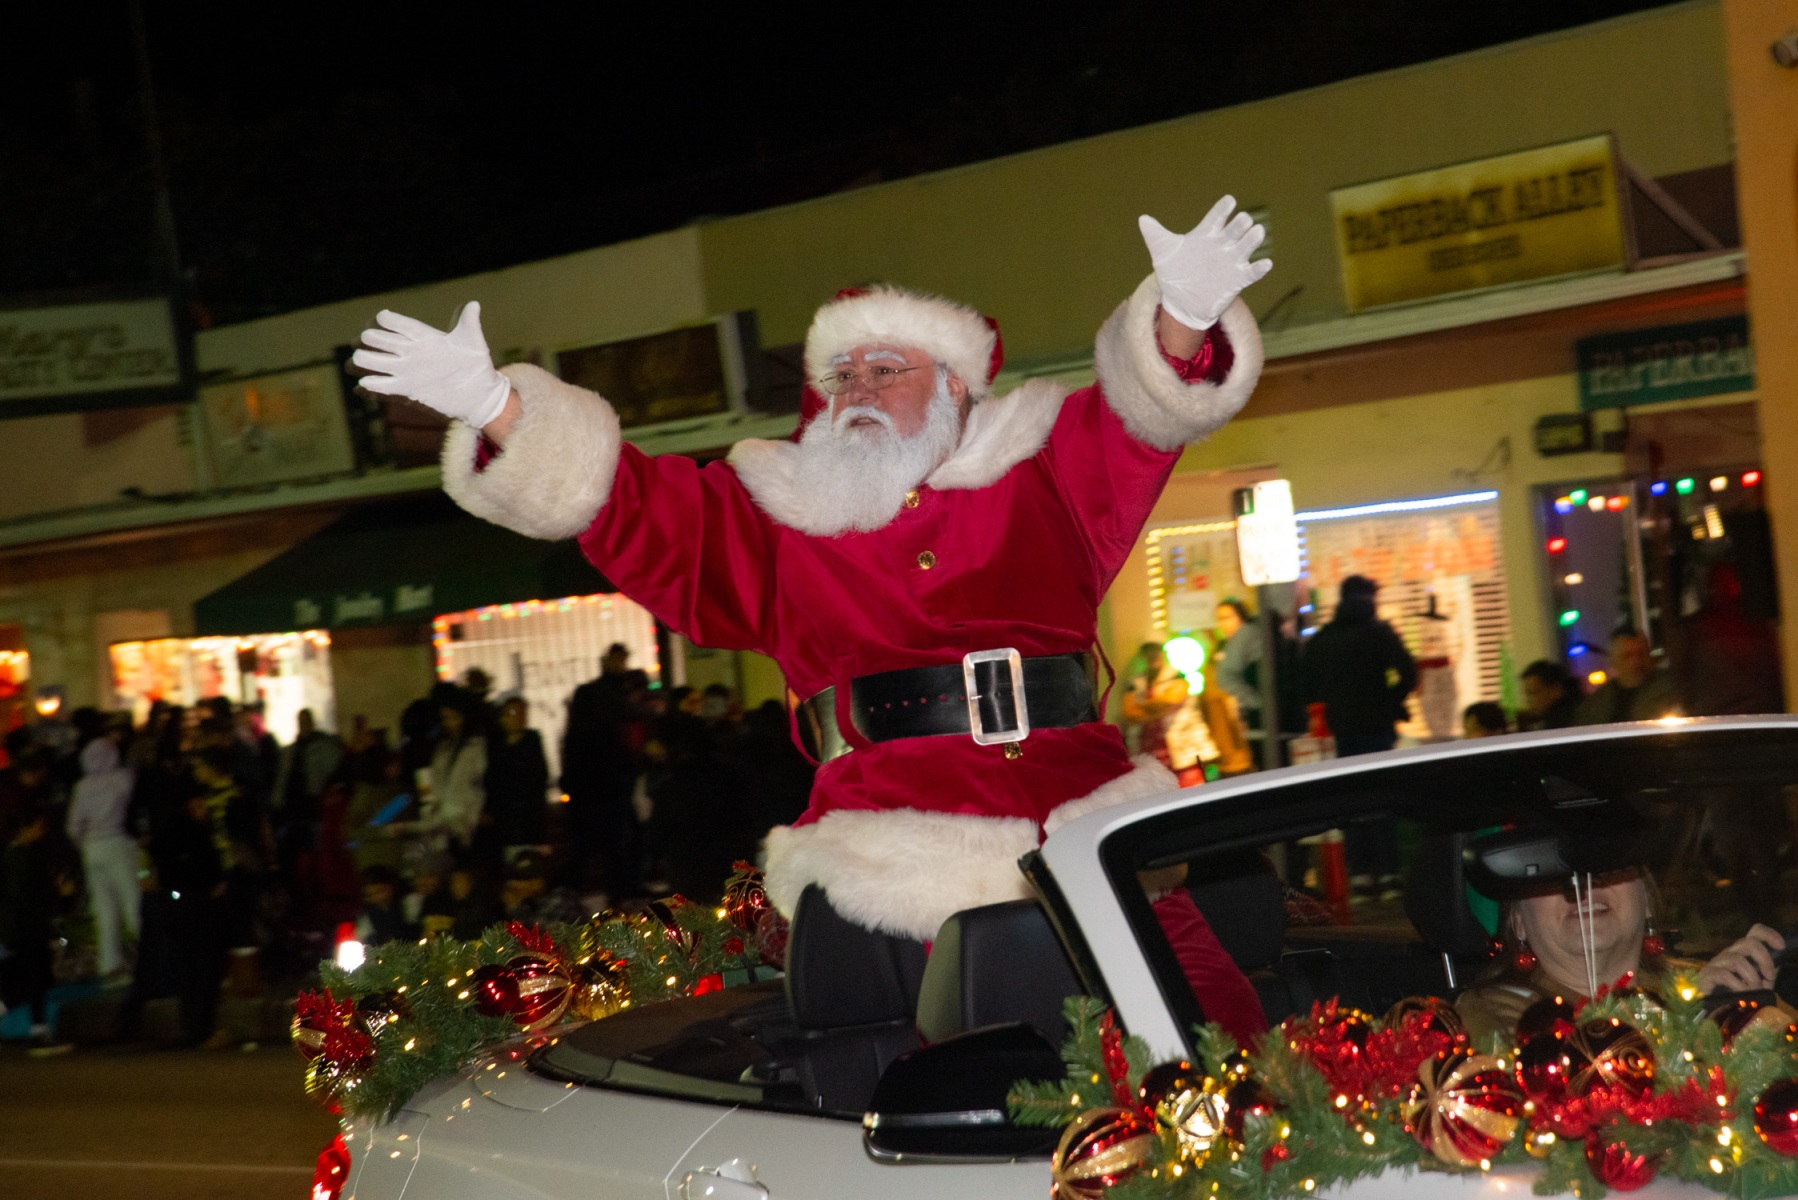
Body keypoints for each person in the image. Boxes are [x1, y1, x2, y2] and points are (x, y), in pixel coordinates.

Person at [354, 197, 1273, 1042]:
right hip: (892, 864)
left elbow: (1141, 414)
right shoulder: (781, 516)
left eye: (886, 368)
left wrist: (1182, 314)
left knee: (1214, 1043)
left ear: (955, 387)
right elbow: (634, 507)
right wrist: (494, 407)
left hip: (1091, 825)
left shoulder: (1043, 466)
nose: (857, 389)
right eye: (839, 375)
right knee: (961, 1097)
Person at [1456, 827, 1786, 1045]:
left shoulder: (1713, 983)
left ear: (1646, 900)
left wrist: (1759, 1019)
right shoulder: (1487, 1012)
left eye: (1609, 865)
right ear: (1518, 923)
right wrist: (1686, 1022)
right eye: (1549, 872)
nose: (1583, 886)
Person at [560, 649, 642, 898]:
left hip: (590, 793)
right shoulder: (615, 706)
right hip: (609, 791)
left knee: (587, 852)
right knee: (616, 852)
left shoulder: (581, 731)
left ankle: (581, 901)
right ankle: (620, 898)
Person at [0, 800, 74, 1054]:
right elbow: (26, 898)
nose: (42, 831)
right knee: (35, 980)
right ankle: (38, 1033)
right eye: (39, 826)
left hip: (24, 929)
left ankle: (38, 1030)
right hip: (27, 930)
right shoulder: (20, 857)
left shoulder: (17, 855)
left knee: (36, 980)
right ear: (28, 827)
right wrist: (58, 894)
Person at [65, 733, 140, 981]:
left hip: (91, 848)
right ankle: (147, 958)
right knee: (132, 904)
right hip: (117, 843)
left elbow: (73, 826)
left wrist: (84, 843)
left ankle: (109, 966)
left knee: (104, 909)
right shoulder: (122, 779)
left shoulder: (82, 787)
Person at [421, 696, 486, 856]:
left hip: (464, 821)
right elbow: (427, 784)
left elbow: (479, 784)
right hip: (440, 822)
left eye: (453, 717)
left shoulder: (477, 747)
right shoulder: (441, 748)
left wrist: (473, 816)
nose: (449, 723)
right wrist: (428, 811)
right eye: (445, 718)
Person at [484, 695, 550, 854]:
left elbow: (537, 778)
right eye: (512, 713)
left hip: (529, 820)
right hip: (505, 822)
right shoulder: (495, 748)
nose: (519, 718)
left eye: (522, 713)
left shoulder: (531, 743)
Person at [1576, 631, 1681, 725]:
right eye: (1627, 656)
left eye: (1640, 654)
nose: (1635, 662)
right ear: (1613, 660)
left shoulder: (1671, 690)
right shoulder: (1598, 703)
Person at [1122, 642, 1190, 771]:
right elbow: (1129, 713)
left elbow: (1168, 701)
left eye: (1156, 653)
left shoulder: (1176, 676)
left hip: (1179, 748)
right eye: (1150, 655)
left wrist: (1140, 706)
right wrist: (1158, 708)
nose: (1154, 658)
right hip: (1145, 748)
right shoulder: (1135, 682)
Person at [1516, 660, 1580, 731]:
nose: (1528, 700)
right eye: (1527, 694)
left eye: (1533, 693)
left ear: (1555, 690)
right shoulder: (1543, 720)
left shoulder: (1561, 724)